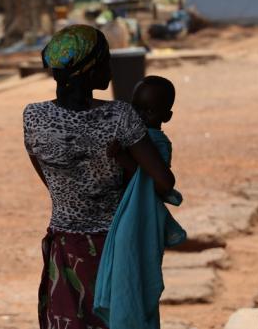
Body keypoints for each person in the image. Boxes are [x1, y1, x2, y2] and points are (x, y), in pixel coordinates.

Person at [22, 25, 175, 329]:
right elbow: (164, 182)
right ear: (90, 71)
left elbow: (48, 179)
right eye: (106, 62)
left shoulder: (33, 117)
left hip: (65, 247)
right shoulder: (120, 117)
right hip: (116, 248)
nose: (110, 69)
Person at [94, 75, 186, 329]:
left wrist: (124, 159)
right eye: (136, 108)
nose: (141, 116)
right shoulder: (130, 135)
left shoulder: (157, 143)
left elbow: (154, 182)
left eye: (149, 111)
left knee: (135, 275)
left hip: (141, 217)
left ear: (166, 116)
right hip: (126, 214)